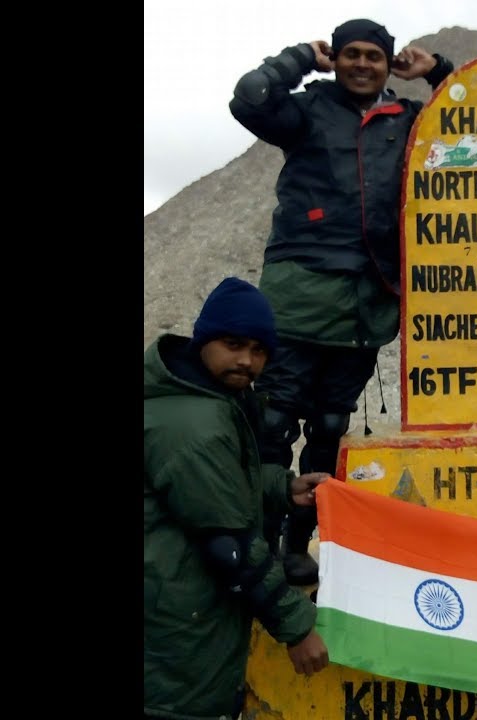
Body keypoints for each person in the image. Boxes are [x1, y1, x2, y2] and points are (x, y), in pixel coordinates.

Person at [229, 19, 455, 585]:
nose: (360, 64)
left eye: (373, 56)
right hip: (300, 289)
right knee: (274, 422)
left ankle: (298, 544)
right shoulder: (306, 109)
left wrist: (441, 72)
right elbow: (249, 98)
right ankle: (258, 543)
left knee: (330, 427)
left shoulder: (406, 121)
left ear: (388, 63)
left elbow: (467, 129)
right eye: (350, 54)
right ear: (338, 58)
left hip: (366, 299)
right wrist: (300, 57)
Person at [144, 276, 332, 720]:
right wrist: (296, 628)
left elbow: (213, 487)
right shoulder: (193, 425)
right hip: (179, 624)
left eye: (260, 351)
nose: (247, 361)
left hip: (181, 603)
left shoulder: (205, 397)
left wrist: (282, 487)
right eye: (234, 345)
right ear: (204, 339)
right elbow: (230, 546)